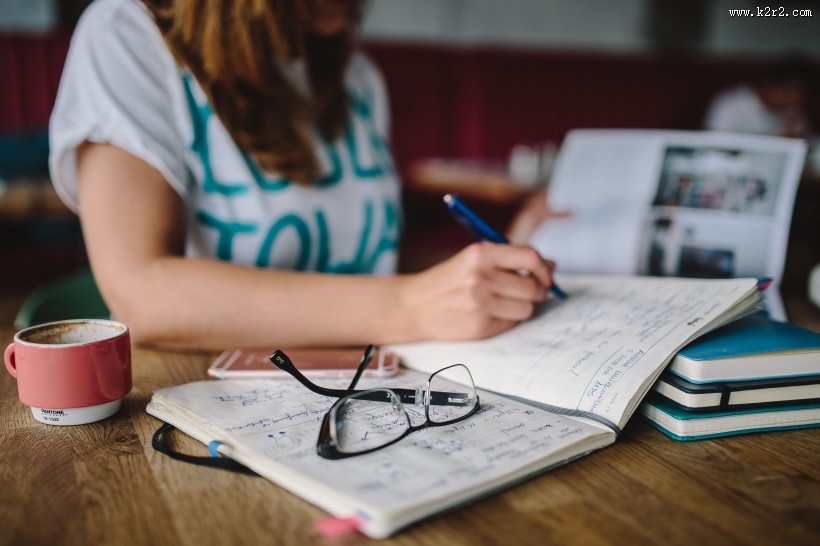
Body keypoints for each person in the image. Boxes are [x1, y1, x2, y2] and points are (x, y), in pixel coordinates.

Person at [49, 0, 556, 350]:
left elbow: (366, 265)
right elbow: (142, 295)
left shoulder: (356, 78)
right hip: (208, 394)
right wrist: (410, 307)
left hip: (369, 382)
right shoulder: (125, 35)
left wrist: (490, 267)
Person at [703, 56, 813, 138]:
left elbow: (806, 143)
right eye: (787, 93)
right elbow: (714, 145)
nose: (792, 100)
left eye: (799, 96)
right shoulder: (730, 104)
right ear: (769, 84)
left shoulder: (792, 113)